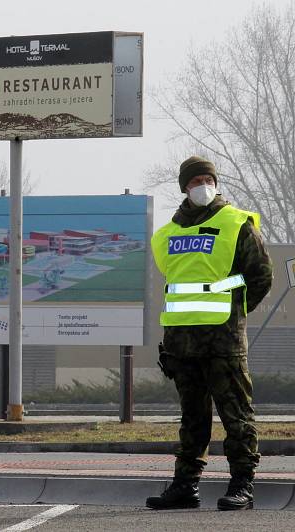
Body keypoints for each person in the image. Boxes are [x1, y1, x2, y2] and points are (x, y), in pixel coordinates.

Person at [146, 156, 273, 511]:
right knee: (192, 419)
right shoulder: (167, 235)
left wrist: (234, 314)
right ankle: (185, 486)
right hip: (181, 345)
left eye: (208, 178)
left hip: (223, 343)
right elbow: (178, 287)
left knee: (237, 416)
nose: (203, 185)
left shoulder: (236, 224)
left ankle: (242, 485)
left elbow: (261, 276)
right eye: (196, 180)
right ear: (184, 187)